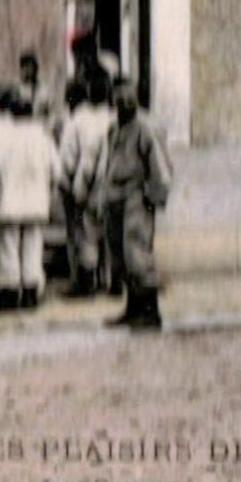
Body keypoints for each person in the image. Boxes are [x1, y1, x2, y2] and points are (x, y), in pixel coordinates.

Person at [90, 79, 172, 331]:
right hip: (115, 197)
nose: (122, 101)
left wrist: (153, 196)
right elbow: (108, 165)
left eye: (127, 96)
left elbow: (161, 168)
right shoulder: (114, 129)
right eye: (117, 97)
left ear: (135, 97)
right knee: (120, 256)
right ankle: (132, 308)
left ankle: (150, 311)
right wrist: (102, 196)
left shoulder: (145, 128)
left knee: (137, 254)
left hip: (137, 197)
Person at [0, 96, 60, 311]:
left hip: (8, 201)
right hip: (36, 202)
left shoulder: (2, 138)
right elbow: (57, 171)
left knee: (7, 247)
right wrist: (48, 191)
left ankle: (8, 292)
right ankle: (30, 291)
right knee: (33, 245)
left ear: (11, 114)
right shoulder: (44, 139)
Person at [61, 73, 116, 298]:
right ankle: (110, 280)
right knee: (110, 234)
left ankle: (86, 282)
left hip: (90, 184)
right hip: (116, 186)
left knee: (86, 234)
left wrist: (73, 188)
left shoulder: (78, 121)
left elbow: (70, 159)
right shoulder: (115, 117)